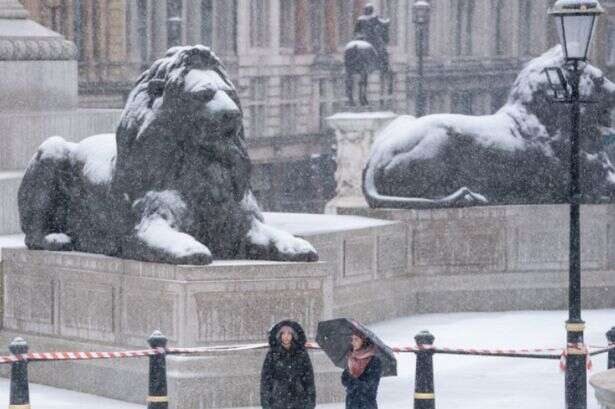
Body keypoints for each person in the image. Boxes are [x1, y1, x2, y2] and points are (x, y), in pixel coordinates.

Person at [260, 320, 316, 409]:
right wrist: (266, 403)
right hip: (277, 401)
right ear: (280, 335)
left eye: (289, 333)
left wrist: (310, 402)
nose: (286, 336)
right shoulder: (272, 354)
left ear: (293, 336)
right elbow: (266, 380)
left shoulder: (301, 354)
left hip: (299, 401)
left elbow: (309, 379)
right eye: (283, 333)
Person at [341, 331, 382, 409]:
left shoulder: (374, 361)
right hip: (351, 404)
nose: (353, 342)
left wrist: (351, 379)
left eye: (356, 339)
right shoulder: (352, 358)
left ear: (363, 341)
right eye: (352, 339)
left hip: (366, 404)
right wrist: (349, 377)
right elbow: (344, 379)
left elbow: (369, 386)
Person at [354, 3, 390, 72]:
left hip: (362, 39)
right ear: (371, 10)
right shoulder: (374, 18)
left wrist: (359, 36)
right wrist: (388, 21)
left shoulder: (360, 19)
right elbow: (383, 23)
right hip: (373, 39)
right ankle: (384, 66)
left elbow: (356, 31)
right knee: (383, 50)